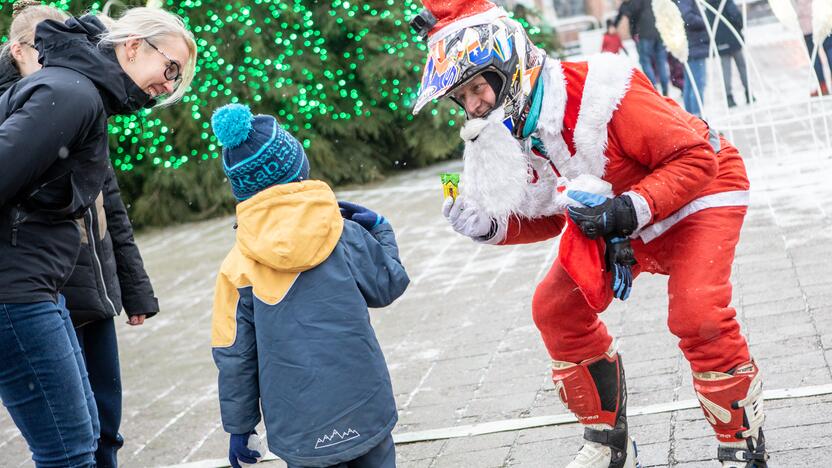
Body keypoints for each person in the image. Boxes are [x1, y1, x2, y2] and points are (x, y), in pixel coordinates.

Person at [410, 1, 767, 467]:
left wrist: (625, 212)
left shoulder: (601, 88)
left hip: (698, 189)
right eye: (461, 97)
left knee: (696, 313)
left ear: (510, 65)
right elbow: (556, 212)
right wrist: (492, 226)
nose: (473, 105)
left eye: (477, 87)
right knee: (555, 309)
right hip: (616, 213)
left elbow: (695, 158)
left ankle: (740, 441)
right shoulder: (512, 124)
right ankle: (606, 442)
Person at [0, 6, 196, 466]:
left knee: (85, 437)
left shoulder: (78, 92)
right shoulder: (72, 95)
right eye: (170, 68)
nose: (169, 85)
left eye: (176, 78)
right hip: (15, 292)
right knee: (69, 452)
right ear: (131, 46)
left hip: (36, 288)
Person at [209, 104, 409, 468]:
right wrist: (380, 228)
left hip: (299, 424)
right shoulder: (341, 232)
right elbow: (389, 284)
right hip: (364, 403)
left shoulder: (236, 268)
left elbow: (234, 354)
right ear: (297, 166)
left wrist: (240, 426)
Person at [616, 0, 669, 94]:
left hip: (644, 33)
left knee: (645, 61)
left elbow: (630, 12)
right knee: (661, 61)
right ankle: (665, 89)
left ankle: (654, 88)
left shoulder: (634, 3)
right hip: (658, 30)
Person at [706, 0, 752, 107]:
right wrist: (739, 26)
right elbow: (735, 14)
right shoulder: (725, 1)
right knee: (742, 66)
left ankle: (729, 97)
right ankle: (748, 93)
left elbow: (708, 21)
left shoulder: (707, 3)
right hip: (733, 37)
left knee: (725, 70)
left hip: (720, 41)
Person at [677, 0, 711, 116]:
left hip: (692, 44)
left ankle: (691, 115)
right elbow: (688, 17)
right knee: (697, 84)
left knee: (691, 83)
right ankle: (697, 115)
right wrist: (706, 21)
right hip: (694, 45)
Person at [797, 0, 832, 96]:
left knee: (814, 54)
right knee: (829, 48)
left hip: (806, 18)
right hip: (822, 16)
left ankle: (822, 86)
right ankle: (823, 86)